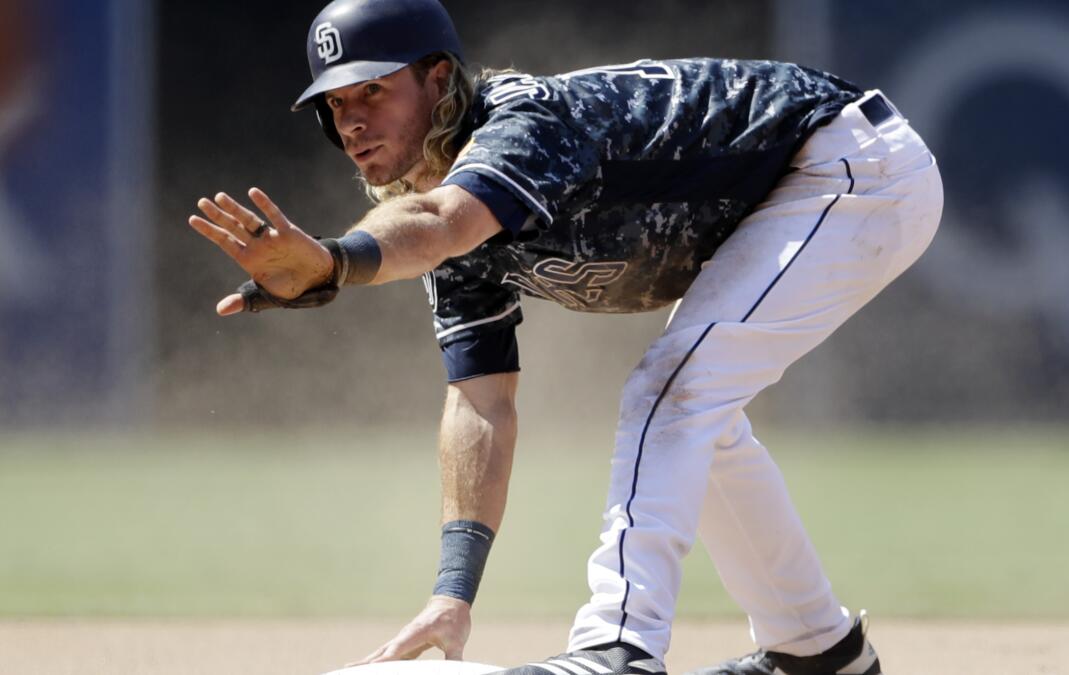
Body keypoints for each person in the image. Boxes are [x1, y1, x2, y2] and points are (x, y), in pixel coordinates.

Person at [187, 1, 942, 673]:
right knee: (695, 410)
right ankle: (817, 650)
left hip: (849, 165)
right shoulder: (435, 215)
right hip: (809, 184)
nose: (351, 120)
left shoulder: (520, 126)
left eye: (374, 90)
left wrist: (329, 263)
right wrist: (453, 593)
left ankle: (620, 645)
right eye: (336, 103)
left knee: (670, 392)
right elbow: (481, 403)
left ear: (440, 80)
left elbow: (438, 224)